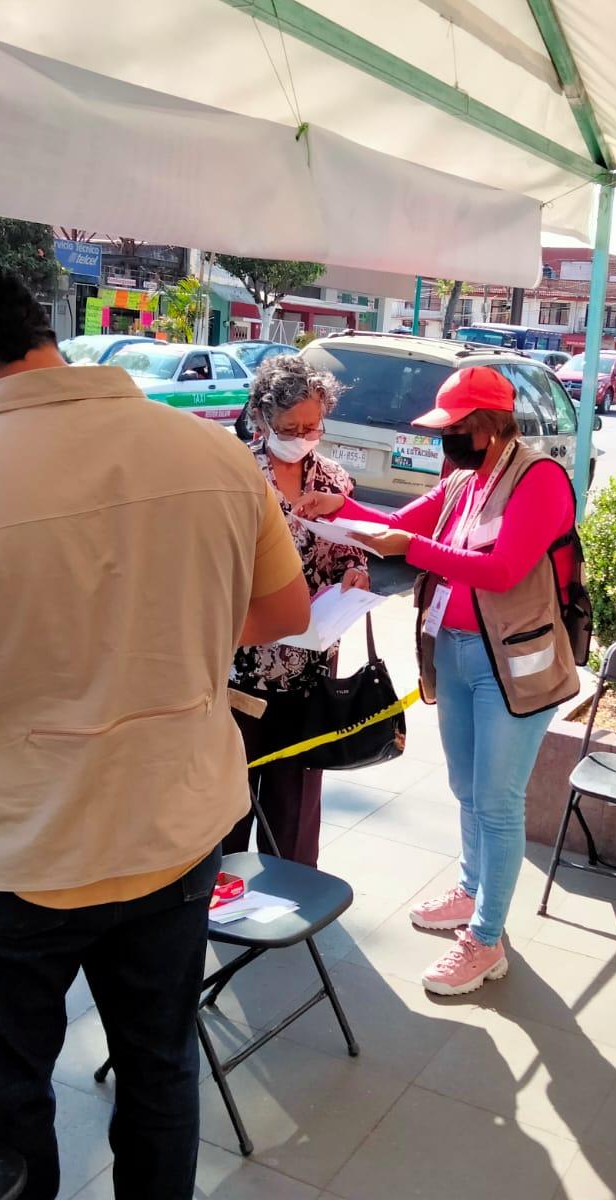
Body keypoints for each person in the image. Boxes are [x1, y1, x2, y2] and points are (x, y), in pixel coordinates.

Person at [0, 257, 308, 1200]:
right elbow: (281, 611)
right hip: (175, 830)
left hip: (13, 850)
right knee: (161, 1065)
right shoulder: (214, 455)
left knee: (5, 1094)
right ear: (42, 333)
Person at [296, 366, 580, 997]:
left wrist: (409, 547)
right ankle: (473, 890)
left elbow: (501, 570)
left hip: (512, 665)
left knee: (498, 802)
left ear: (487, 425)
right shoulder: (463, 479)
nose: (443, 440)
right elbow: (401, 523)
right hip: (452, 652)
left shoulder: (539, 479)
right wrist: (341, 510)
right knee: (465, 788)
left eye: (453, 429)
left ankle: (486, 939)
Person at [223, 356, 369, 868]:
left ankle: (294, 889)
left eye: (313, 427)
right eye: (290, 428)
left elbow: (350, 549)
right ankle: (223, 891)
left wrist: (355, 573)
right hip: (244, 663)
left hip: (311, 663)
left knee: (296, 801)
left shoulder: (333, 479)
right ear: (262, 419)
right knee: (230, 796)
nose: (303, 438)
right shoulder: (236, 473)